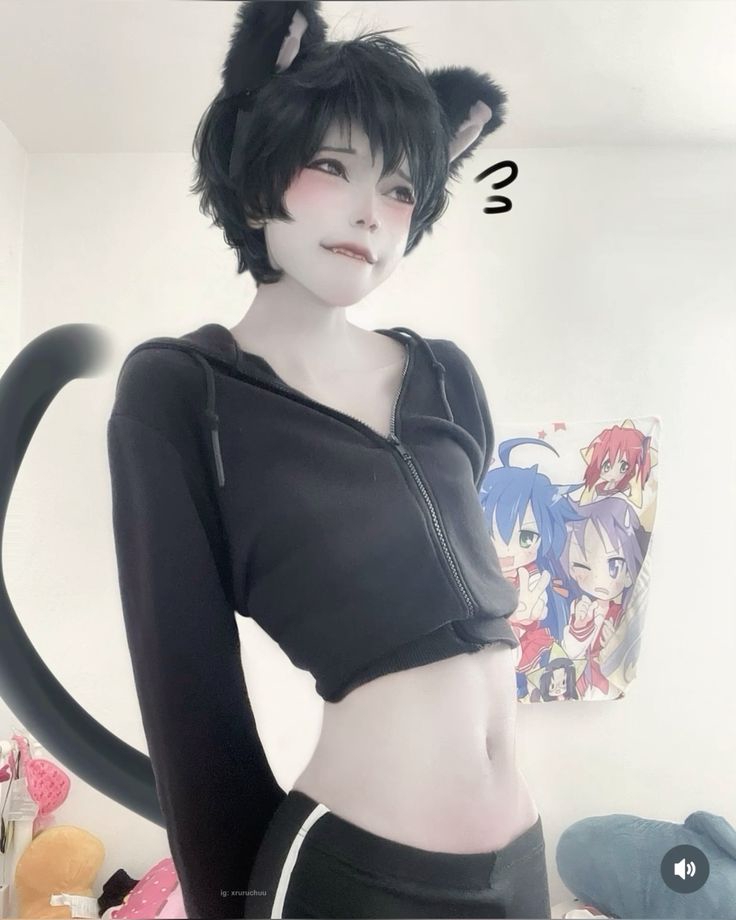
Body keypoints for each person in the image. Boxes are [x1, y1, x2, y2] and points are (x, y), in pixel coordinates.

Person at [107, 2, 552, 917]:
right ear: (256, 179)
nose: (368, 213)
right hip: (354, 875)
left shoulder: (445, 378)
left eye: (400, 188)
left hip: (519, 865)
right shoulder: (183, 392)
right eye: (331, 167)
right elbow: (190, 702)